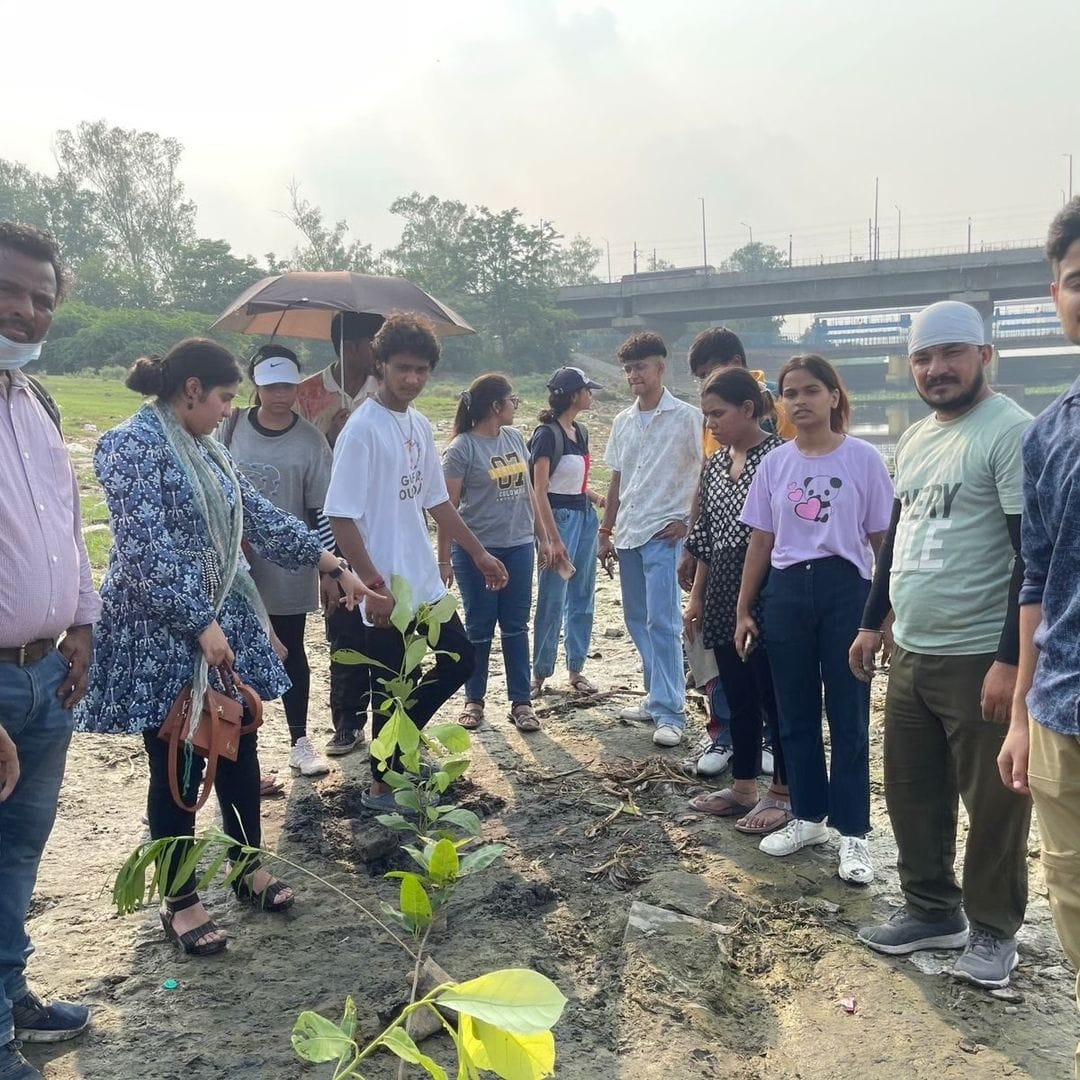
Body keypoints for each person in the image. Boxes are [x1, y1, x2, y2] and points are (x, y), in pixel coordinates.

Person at [76, 339, 378, 959]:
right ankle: (181, 898)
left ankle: (246, 865)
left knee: (236, 743)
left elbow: (258, 517)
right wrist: (197, 623)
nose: (226, 410)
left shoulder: (207, 446)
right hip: (163, 632)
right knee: (180, 761)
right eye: (222, 398)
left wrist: (329, 561)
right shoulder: (130, 446)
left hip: (216, 618)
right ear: (191, 390)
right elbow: (141, 549)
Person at [851, 301, 1031, 987]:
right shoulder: (918, 439)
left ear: (986, 356)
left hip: (978, 653)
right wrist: (874, 620)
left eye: (952, 352)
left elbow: (1030, 554)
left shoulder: (1010, 432)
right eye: (923, 357)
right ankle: (932, 909)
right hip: (913, 651)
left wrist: (1009, 660)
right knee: (911, 791)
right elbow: (898, 538)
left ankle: (992, 929)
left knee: (994, 802)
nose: (935, 368)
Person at [324, 315, 509, 811]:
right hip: (384, 584)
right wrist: (373, 584)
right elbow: (341, 518)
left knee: (459, 658)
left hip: (423, 579)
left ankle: (401, 748)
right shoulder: (362, 429)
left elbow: (437, 502)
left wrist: (478, 552)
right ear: (380, 365)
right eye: (403, 367)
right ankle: (383, 785)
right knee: (387, 684)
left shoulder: (419, 425)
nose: (412, 379)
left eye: (422, 369)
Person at [0, 222, 99, 1079]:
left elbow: (66, 529)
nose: (29, 311)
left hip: (45, 675)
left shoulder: (37, 405)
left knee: (21, 852)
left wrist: (83, 623)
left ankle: (10, 998)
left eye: (43, 298)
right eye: (14, 291)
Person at [736, 354, 893, 884]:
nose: (799, 401)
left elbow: (880, 541)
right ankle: (807, 816)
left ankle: (853, 832)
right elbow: (761, 538)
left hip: (846, 591)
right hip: (785, 593)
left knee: (848, 712)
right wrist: (744, 607)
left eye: (810, 391)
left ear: (832, 396)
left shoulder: (864, 458)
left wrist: (885, 611)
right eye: (789, 392)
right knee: (794, 712)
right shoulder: (775, 464)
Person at [999, 195, 1080, 1073]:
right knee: (1075, 907)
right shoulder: (1051, 432)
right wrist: (1021, 715)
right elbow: (1039, 582)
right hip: (1063, 712)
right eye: (1076, 280)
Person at [683, 368, 790, 833]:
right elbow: (708, 535)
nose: (710, 423)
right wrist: (698, 598)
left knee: (775, 695)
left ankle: (783, 793)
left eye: (718, 413)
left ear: (748, 409)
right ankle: (744, 786)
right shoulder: (714, 463)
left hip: (769, 586)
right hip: (724, 585)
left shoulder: (781, 457)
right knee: (738, 694)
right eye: (706, 414)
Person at [223, 345, 336, 781]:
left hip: (289, 567)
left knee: (290, 650)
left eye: (288, 385)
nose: (280, 395)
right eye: (271, 386)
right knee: (232, 657)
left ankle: (299, 740)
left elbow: (321, 510)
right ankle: (234, 751)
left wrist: (329, 567)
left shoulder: (310, 441)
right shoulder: (231, 428)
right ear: (256, 386)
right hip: (238, 565)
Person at [598, 332, 703, 747]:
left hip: (665, 531)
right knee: (636, 620)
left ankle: (672, 711)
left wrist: (689, 524)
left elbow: (705, 472)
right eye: (628, 369)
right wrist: (606, 531)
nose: (633, 376)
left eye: (640, 367)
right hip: (630, 531)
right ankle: (657, 694)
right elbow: (617, 480)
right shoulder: (623, 421)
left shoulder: (688, 417)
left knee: (664, 621)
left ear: (661, 368)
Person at [295, 312, 385, 758]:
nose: (379, 355)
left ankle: (393, 722)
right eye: (375, 344)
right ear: (352, 345)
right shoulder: (307, 395)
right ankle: (348, 723)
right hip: (330, 524)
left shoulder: (387, 391)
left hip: (379, 524)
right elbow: (298, 457)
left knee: (387, 627)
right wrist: (331, 432)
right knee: (344, 628)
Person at [440, 374, 541, 731]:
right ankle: (474, 700)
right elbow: (446, 509)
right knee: (479, 627)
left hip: (518, 546)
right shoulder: (462, 448)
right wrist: (444, 559)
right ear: (496, 406)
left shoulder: (514, 438)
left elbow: (530, 494)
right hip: (476, 552)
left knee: (516, 626)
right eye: (512, 399)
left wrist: (543, 538)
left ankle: (521, 702)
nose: (516, 405)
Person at [530, 366, 605, 699]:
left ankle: (576, 668)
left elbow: (577, 482)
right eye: (587, 390)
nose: (591, 395)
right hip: (558, 519)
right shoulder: (547, 434)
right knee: (552, 597)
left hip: (583, 515)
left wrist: (598, 498)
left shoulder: (581, 432)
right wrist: (552, 539)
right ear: (575, 395)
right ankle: (539, 674)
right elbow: (540, 489)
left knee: (583, 595)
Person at [295, 311, 384, 444]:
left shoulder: (387, 391)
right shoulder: (304, 395)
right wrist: (330, 439)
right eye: (375, 347)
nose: (381, 355)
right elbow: (295, 453)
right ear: (350, 347)